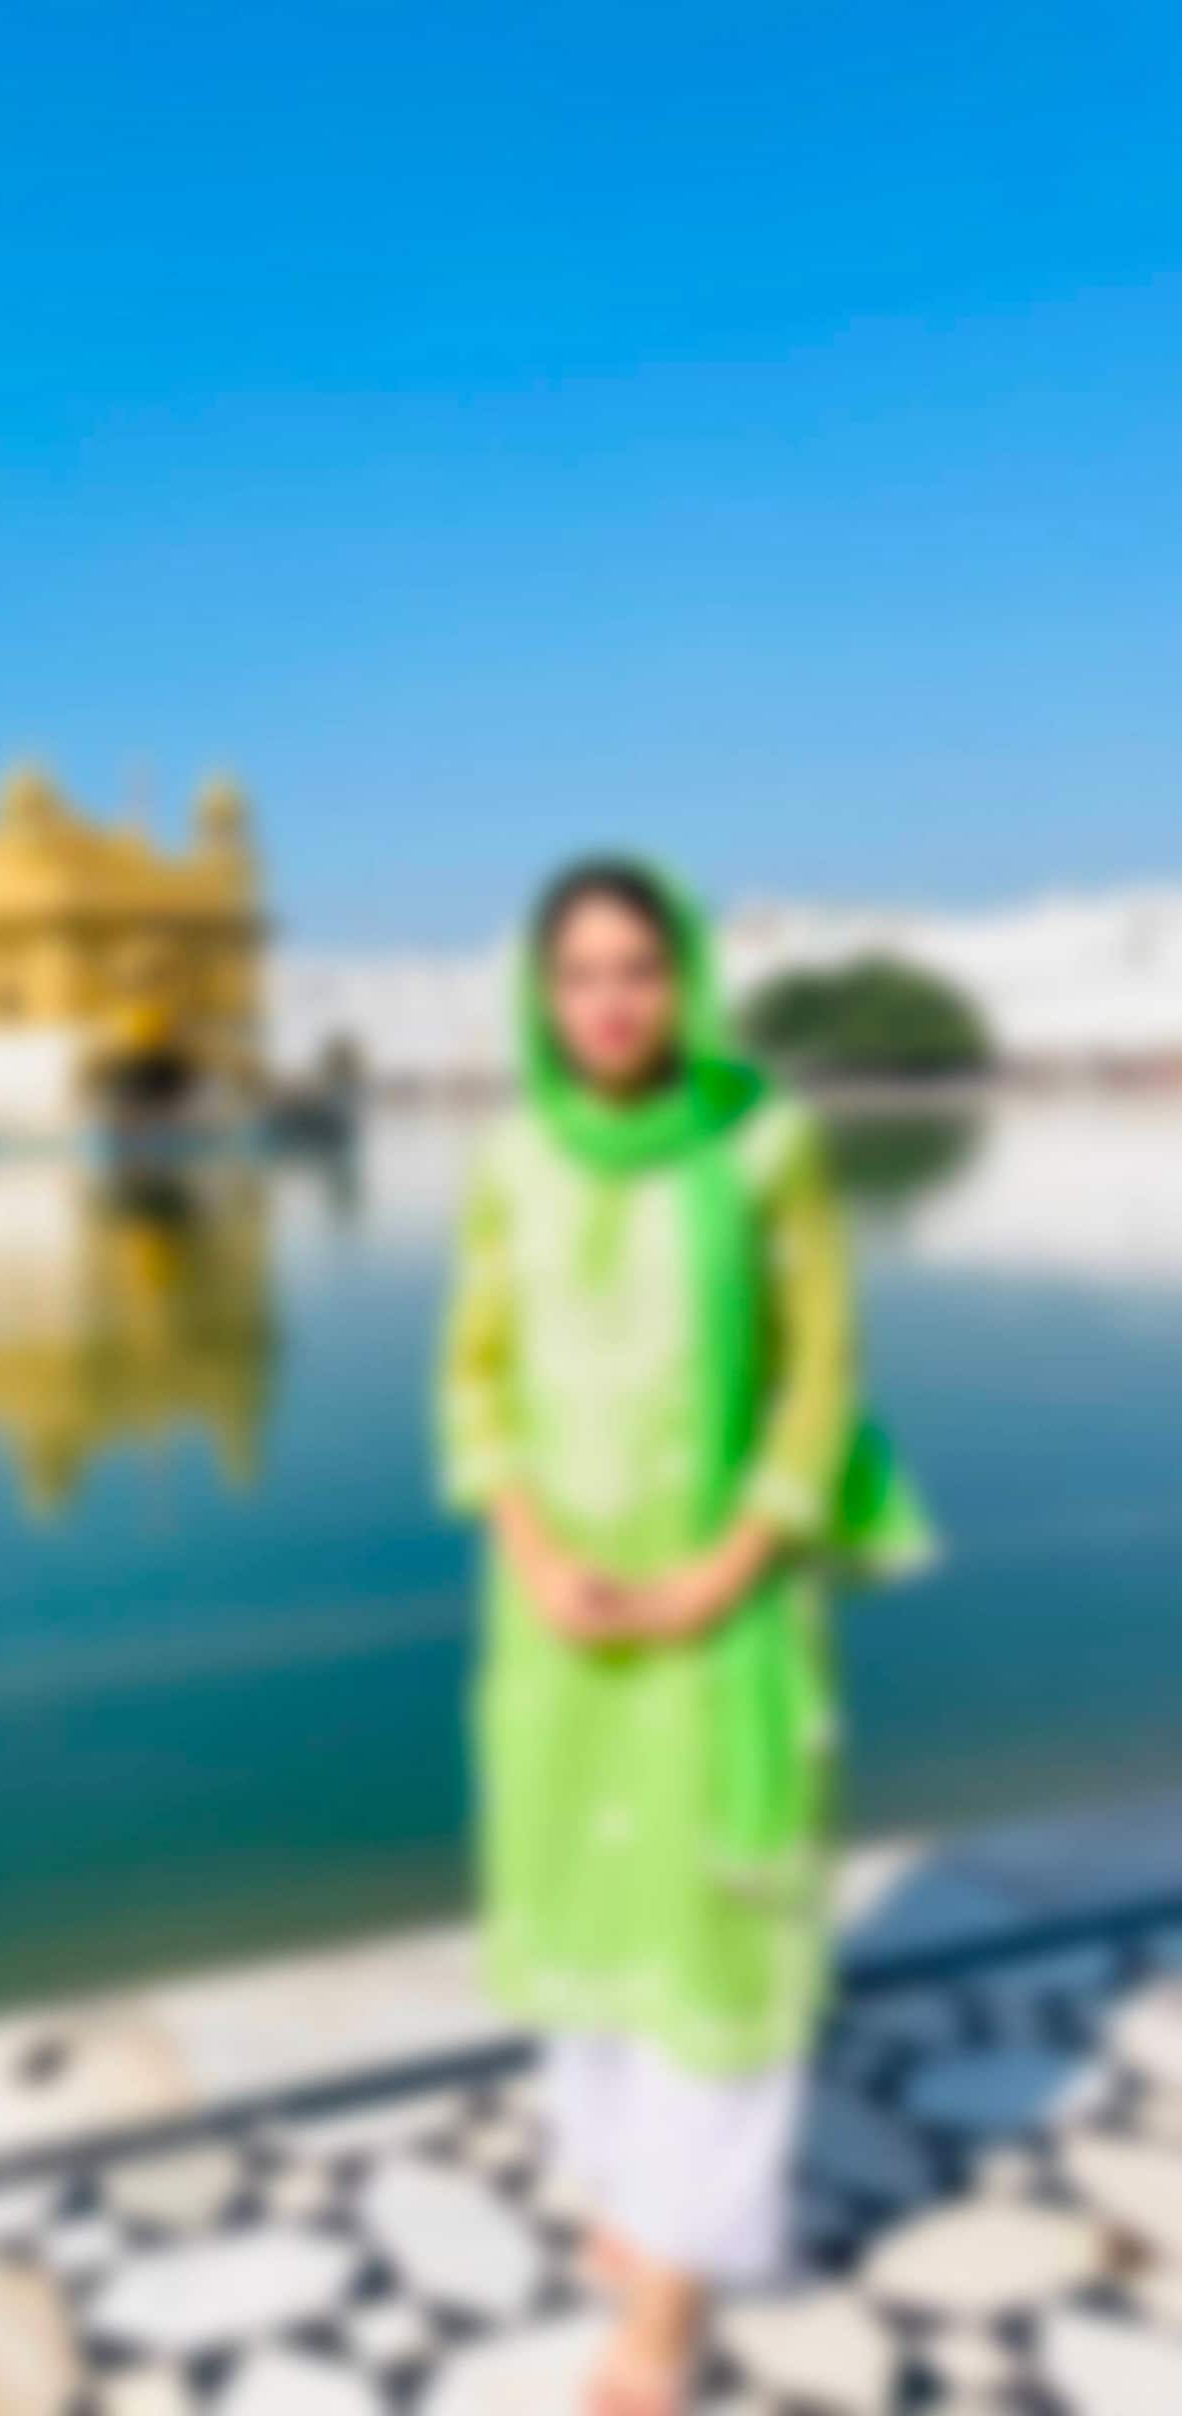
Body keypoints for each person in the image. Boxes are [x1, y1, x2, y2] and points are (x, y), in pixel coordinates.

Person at [436, 858, 930, 2415]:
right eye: (579, 974)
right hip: (561, 1624)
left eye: (638, 969)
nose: (610, 1003)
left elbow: (821, 1376)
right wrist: (533, 1551)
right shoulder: (513, 1157)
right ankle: (632, 2204)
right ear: (541, 994)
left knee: (715, 1941)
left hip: (724, 1616)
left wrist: (721, 1574)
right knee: (590, 1917)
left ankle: (672, 2297)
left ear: (688, 980)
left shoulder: (766, 1145)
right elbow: (474, 1376)